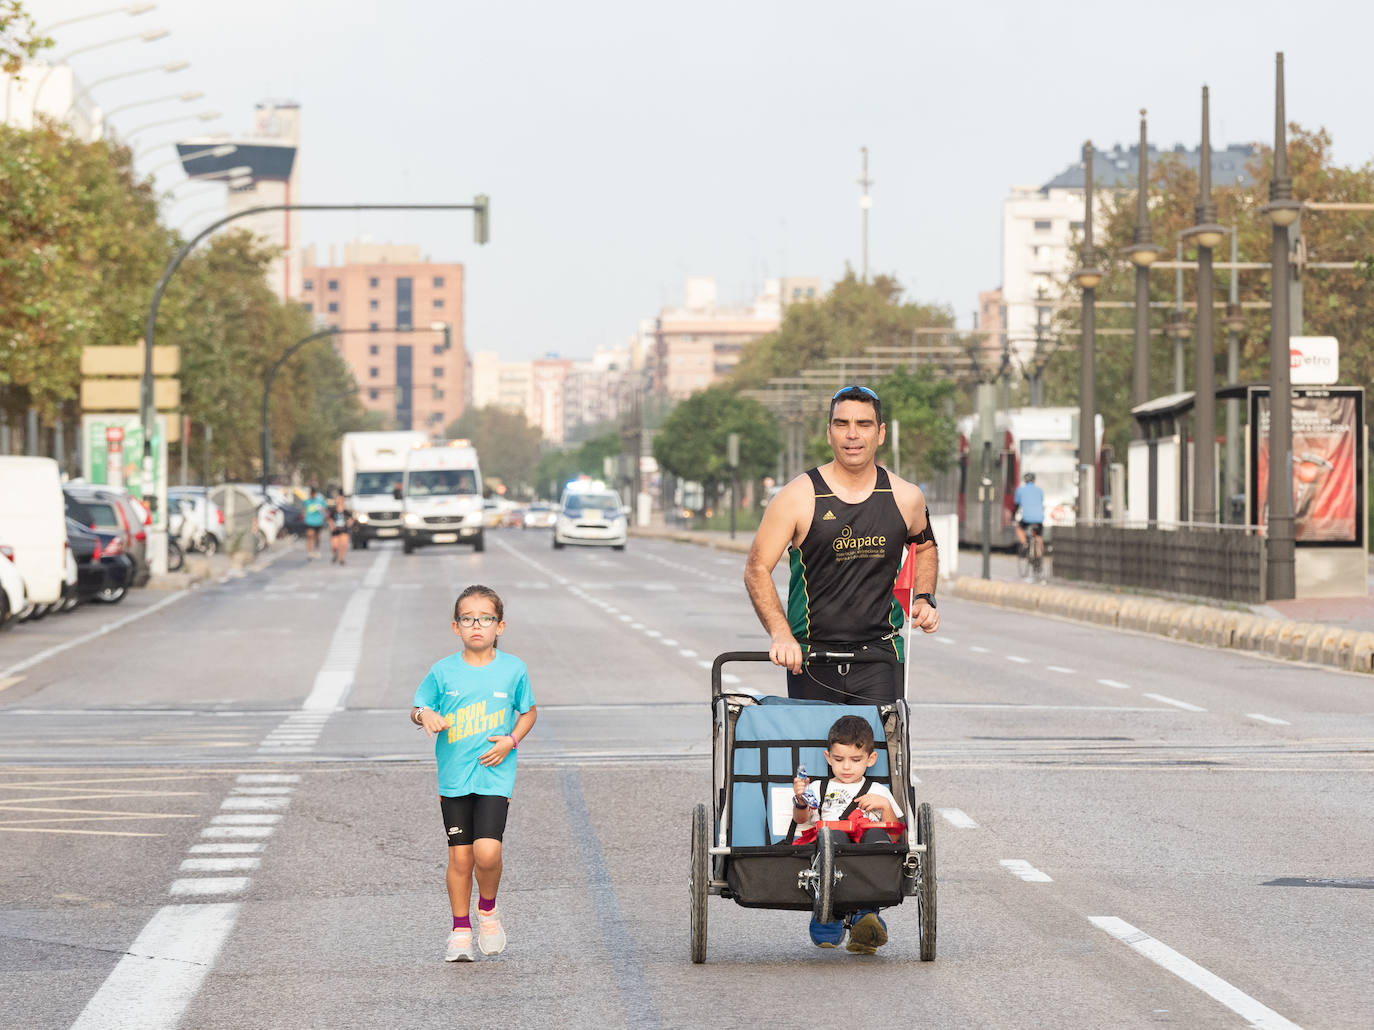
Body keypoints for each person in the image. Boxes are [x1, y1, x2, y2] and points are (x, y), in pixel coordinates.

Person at [745, 385, 940, 703]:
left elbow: (926, 546)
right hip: (811, 658)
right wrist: (780, 634)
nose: (852, 434)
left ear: (880, 433)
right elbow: (756, 568)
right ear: (829, 432)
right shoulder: (798, 497)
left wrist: (924, 597)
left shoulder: (906, 497)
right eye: (842, 424)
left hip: (880, 655)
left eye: (863, 424)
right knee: (814, 753)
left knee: (879, 751)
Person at [411, 585, 536, 962]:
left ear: (500, 626)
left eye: (486, 619)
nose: (476, 625)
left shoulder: (514, 668)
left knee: (487, 851)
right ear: (456, 627)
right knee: (461, 858)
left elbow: (528, 712)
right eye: (468, 619)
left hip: (495, 775)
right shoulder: (442, 671)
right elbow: (419, 707)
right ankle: (460, 930)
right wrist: (424, 715)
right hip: (453, 777)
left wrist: (511, 741)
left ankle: (488, 910)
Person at [790, 714, 903, 953]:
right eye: (839, 759)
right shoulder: (818, 787)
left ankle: (866, 914)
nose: (847, 766)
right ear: (828, 758)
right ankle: (830, 911)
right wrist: (801, 800)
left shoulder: (878, 790)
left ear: (871, 759)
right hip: (830, 847)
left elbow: (894, 837)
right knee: (833, 838)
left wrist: (885, 806)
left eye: (855, 759)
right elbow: (801, 820)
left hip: (867, 852)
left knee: (875, 838)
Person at [1013, 472, 1044, 557]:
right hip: (1039, 518)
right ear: (1034, 480)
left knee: (1019, 528)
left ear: (1025, 480)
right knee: (1039, 536)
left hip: (1027, 518)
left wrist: (1013, 516)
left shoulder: (1020, 490)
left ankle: (1025, 544)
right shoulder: (1039, 490)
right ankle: (1039, 556)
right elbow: (1041, 502)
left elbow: (1016, 505)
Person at [328, 494, 353, 565]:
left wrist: (349, 524)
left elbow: (351, 519)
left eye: (341, 499)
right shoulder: (333, 511)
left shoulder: (346, 511)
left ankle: (342, 558)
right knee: (334, 546)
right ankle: (335, 555)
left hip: (344, 529)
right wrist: (332, 526)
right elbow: (330, 519)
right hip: (335, 530)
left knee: (343, 545)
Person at [302, 488, 326, 560]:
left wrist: (321, 509)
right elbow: (304, 510)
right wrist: (304, 516)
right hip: (309, 521)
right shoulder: (307, 501)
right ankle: (310, 551)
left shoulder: (320, 501)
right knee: (309, 535)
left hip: (318, 521)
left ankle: (317, 550)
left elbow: (324, 510)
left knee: (317, 537)